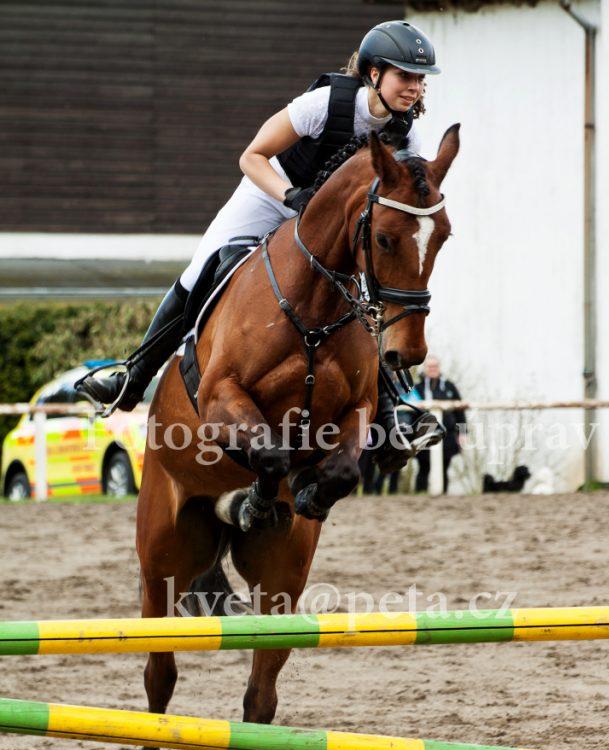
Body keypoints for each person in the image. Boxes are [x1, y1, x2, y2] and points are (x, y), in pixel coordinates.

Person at [75, 20, 443, 453]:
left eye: (420, 79)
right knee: (203, 267)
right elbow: (252, 156)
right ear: (374, 73)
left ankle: (391, 418)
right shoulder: (324, 103)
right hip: (271, 195)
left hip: (329, 226)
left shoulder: (406, 133)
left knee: (365, 300)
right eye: (405, 75)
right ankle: (133, 378)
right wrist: (290, 196)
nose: (414, 87)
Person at [413, 356, 466, 493]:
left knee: (444, 467)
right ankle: (420, 496)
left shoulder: (449, 386)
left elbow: (460, 412)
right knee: (423, 467)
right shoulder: (417, 388)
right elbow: (411, 412)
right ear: (425, 369)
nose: (433, 369)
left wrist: (463, 433)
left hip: (447, 435)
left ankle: (443, 496)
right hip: (423, 435)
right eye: (430, 366)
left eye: (435, 366)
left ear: (439, 367)